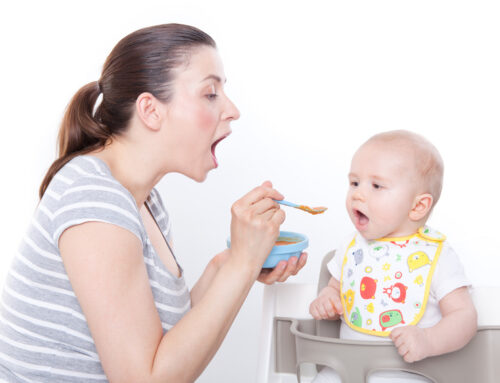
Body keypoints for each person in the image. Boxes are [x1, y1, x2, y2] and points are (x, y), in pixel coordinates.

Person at [0, 24, 307, 383]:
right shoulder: (95, 199)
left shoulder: (143, 200)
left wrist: (233, 263)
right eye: (211, 93)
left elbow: (166, 340)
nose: (233, 110)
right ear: (150, 110)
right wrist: (242, 263)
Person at [309, 130, 477, 382]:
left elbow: (464, 317)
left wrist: (428, 340)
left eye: (376, 186)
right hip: (345, 368)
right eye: (354, 182)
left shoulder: (437, 256)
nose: (358, 193)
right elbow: (338, 290)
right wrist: (328, 299)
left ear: (418, 206)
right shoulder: (351, 247)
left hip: (408, 372)